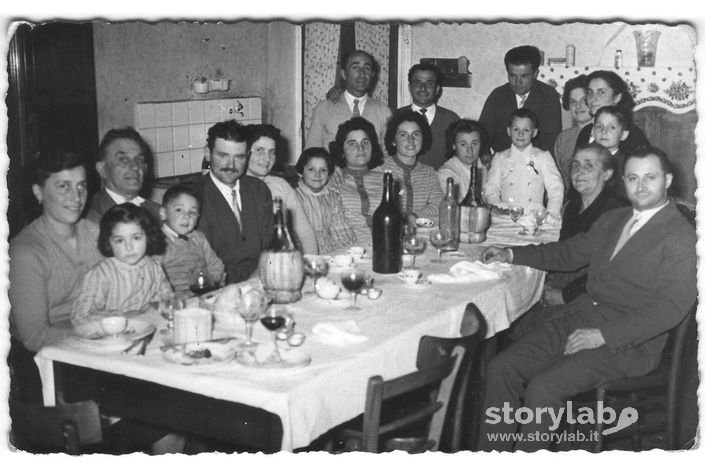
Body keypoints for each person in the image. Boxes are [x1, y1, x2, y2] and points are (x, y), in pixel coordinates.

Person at [477, 146, 696, 452]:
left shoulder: (681, 236)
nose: (641, 186)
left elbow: (671, 308)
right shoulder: (615, 219)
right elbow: (568, 253)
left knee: (544, 388)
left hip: (628, 342)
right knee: (503, 367)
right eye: (633, 178)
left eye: (651, 177)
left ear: (668, 180)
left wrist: (604, 335)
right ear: (623, 180)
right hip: (581, 318)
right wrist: (512, 252)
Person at [508, 143, 629, 339]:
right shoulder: (572, 207)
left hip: (594, 296)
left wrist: (566, 294)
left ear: (607, 173)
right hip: (568, 285)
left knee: (533, 339)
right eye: (575, 165)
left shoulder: (615, 211)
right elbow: (563, 252)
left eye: (589, 166)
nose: (579, 172)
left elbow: (609, 271)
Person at [9, 150, 103, 354]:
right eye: (63, 186)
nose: (77, 197)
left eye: (81, 186)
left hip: (98, 347)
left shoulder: (97, 233)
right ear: (38, 192)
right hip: (49, 359)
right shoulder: (25, 251)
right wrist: (97, 336)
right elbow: (34, 336)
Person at [193, 120, 273, 284]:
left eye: (239, 157)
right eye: (223, 156)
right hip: (218, 288)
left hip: (263, 280)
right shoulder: (194, 198)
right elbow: (202, 265)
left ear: (248, 156)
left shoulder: (258, 190)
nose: (231, 165)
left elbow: (271, 245)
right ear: (208, 154)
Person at [71, 203, 170, 326]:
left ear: (148, 237)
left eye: (136, 238)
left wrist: (156, 307)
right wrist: (121, 317)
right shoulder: (101, 274)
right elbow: (80, 317)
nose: (129, 247)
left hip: (146, 330)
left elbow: (167, 301)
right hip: (109, 336)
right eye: (120, 240)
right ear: (109, 242)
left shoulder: (154, 267)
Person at [245, 124, 318, 254]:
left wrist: (310, 264)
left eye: (272, 152)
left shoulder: (280, 185)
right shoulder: (235, 187)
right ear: (245, 152)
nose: (267, 158)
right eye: (260, 150)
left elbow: (305, 233)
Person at [483, 108, 564, 221]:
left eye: (526, 130)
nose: (520, 134)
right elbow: (491, 188)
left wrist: (552, 213)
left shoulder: (543, 157)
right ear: (509, 131)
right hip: (506, 217)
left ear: (534, 132)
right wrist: (498, 209)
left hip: (534, 217)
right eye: (516, 129)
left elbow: (556, 187)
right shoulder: (499, 157)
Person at [479, 45, 562, 154]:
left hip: (536, 161)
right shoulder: (497, 96)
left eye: (524, 76)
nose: (518, 82)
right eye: (512, 76)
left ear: (535, 74)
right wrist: (485, 156)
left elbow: (551, 140)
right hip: (502, 161)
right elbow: (482, 134)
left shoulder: (548, 96)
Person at [306, 50, 392, 151]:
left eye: (367, 68)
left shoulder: (383, 111)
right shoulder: (324, 108)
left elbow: (388, 155)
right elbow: (311, 151)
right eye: (355, 67)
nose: (362, 74)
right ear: (343, 74)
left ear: (372, 75)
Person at [328, 117, 386, 245]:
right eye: (352, 143)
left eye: (365, 142)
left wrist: (400, 189)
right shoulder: (332, 181)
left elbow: (402, 194)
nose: (360, 148)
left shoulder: (386, 178)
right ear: (342, 151)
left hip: (386, 243)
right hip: (349, 247)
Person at [379, 109, 443, 225]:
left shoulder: (429, 173)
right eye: (403, 135)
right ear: (393, 140)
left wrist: (415, 216)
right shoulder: (380, 170)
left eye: (416, 134)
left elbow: (439, 203)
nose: (411, 140)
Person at [158, 184, 225, 295]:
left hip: (202, 290)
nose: (186, 216)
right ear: (163, 213)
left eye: (192, 212)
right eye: (179, 210)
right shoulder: (157, 241)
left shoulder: (199, 238)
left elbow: (216, 265)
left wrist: (210, 282)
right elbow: (154, 276)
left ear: (198, 217)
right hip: (175, 297)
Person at [87, 127, 161, 224]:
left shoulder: (159, 213)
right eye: (123, 160)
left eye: (140, 160)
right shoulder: (91, 217)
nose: (135, 166)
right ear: (102, 169)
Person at [396, 62, 460, 169]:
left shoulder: (451, 119)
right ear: (409, 87)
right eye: (417, 83)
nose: (423, 88)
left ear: (437, 89)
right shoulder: (396, 117)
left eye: (429, 83)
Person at [295, 147, 356, 254]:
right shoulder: (295, 197)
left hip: (330, 251)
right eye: (311, 169)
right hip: (305, 252)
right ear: (301, 172)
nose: (317, 174)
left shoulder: (333, 197)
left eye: (323, 170)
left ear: (329, 175)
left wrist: (346, 252)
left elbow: (340, 229)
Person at [576, 70, 649, 155]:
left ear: (617, 98)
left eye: (601, 92)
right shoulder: (586, 131)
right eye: (590, 92)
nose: (593, 98)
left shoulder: (631, 134)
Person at [553, 75, 592, 188]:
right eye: (573, 102)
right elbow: (560, 179)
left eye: (583, 101)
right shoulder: (563, 138)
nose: (578, 106)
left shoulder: (602, 134)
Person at [437, 119, 489, 198]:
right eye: (463, 144)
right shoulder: (446, 174)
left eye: (474, 144)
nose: (470, 150)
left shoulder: (487, 165)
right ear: (453, 145)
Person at [592, 106, 630, 178]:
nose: (604, 131)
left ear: (623, 135)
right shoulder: (585, 160)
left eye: (612, 127)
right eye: (599, 127)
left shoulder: (626, 165)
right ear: (593, 132)